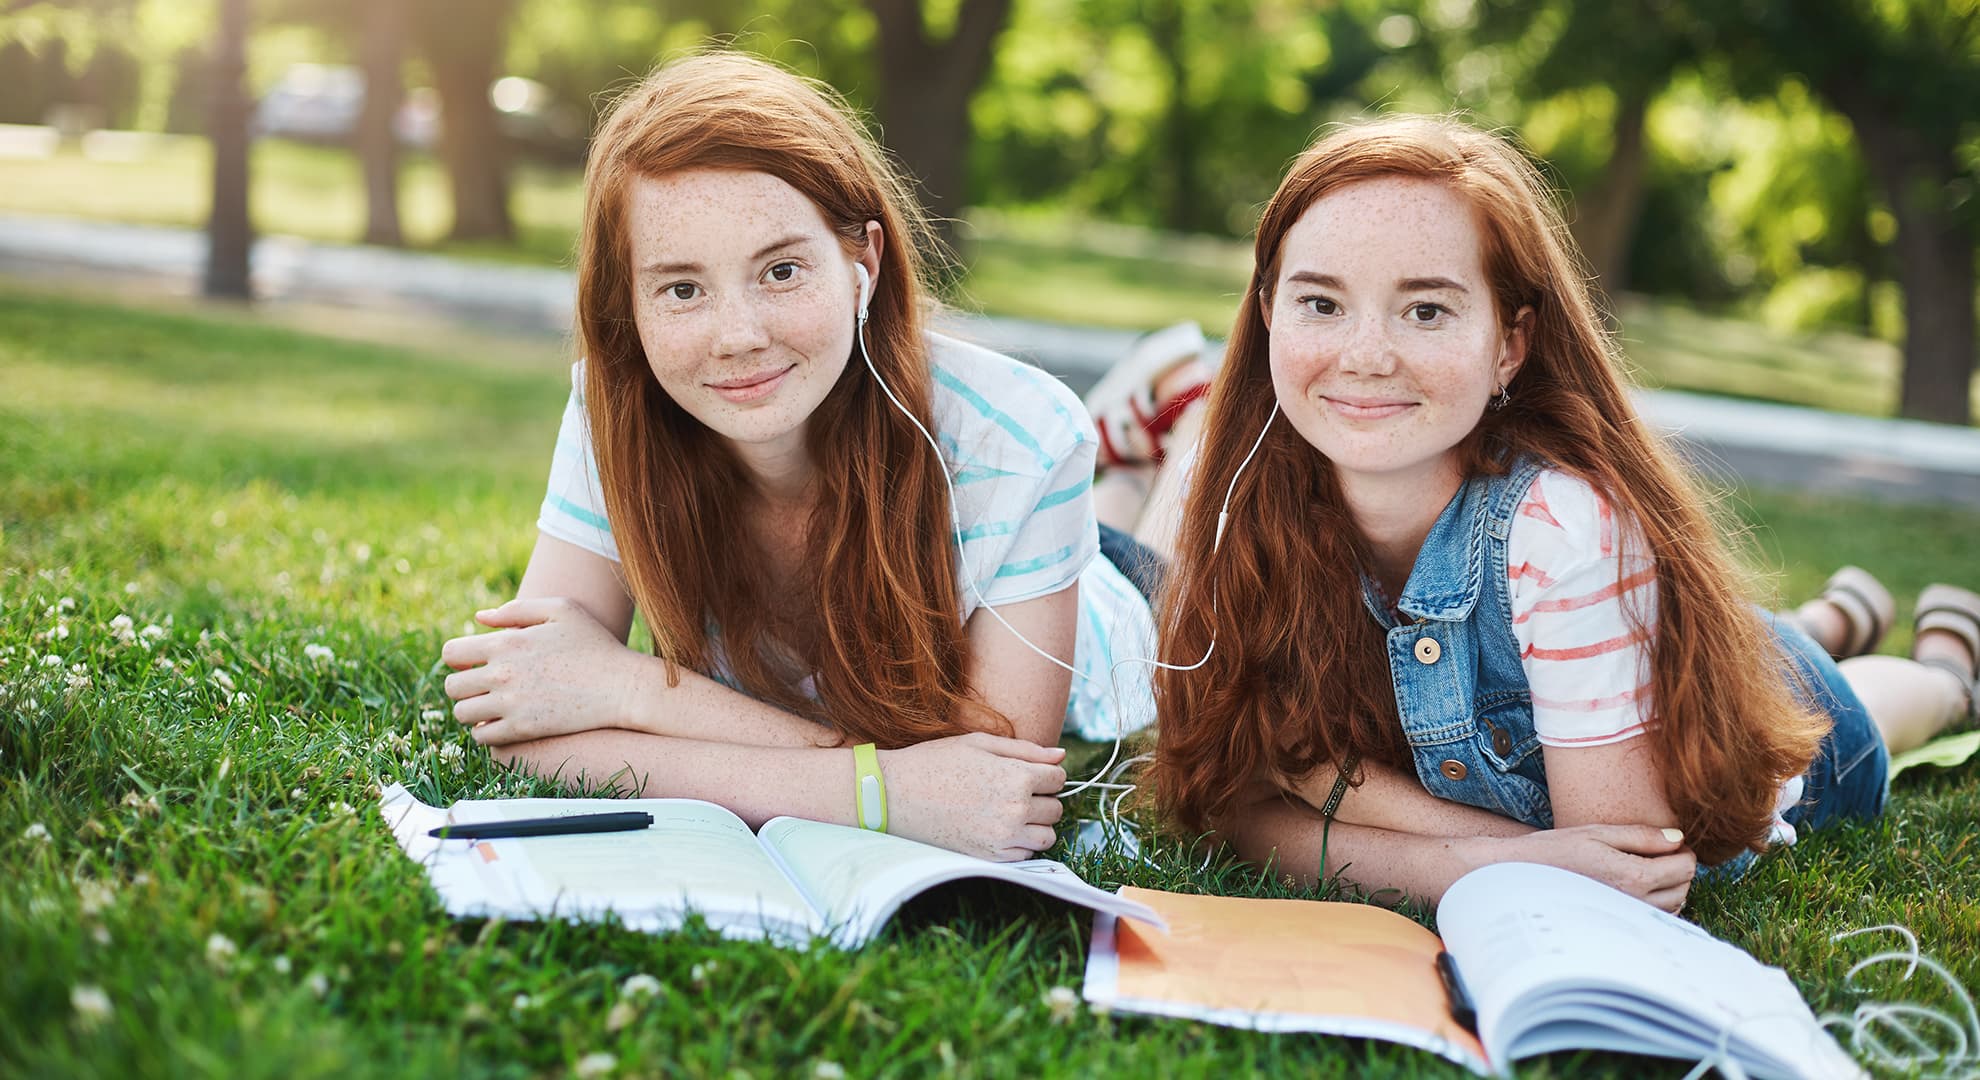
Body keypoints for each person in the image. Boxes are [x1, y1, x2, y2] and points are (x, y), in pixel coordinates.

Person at [1144, 115, 1980, 913]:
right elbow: (1231, 810)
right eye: (1321, 304)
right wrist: (1482, 857)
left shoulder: (1561, 528)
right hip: (1607, 652)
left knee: (1857, 711)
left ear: (1509, 345)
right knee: (1753, 638)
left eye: (1427, 310)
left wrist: (1336, 787)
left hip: (1756, 716)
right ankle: (1839, 613)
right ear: (1265, 313)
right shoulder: (1231, 501)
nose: (1364, 355)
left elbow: (1617, 865)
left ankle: (1944, 664)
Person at [438, 52, 1156, 862]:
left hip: (1118, 602)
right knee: (1111, 499)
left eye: (781, 270)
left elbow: (993, 789)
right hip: (1019, 544)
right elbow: (524, 728)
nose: (738, 335)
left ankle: (1153, 451)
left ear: (864, 266)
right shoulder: (615, 405)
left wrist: (630, 688)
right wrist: (883, 792)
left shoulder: (1025, 436)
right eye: (681, 289)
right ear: (628, 306)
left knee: (1155, 537)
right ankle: (1129, 458)